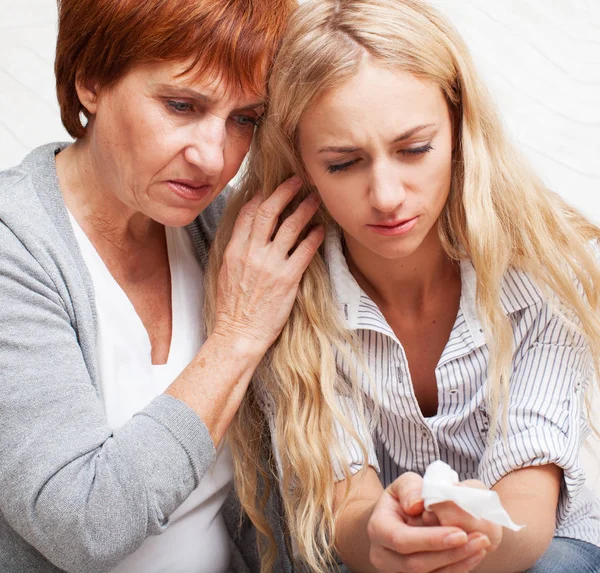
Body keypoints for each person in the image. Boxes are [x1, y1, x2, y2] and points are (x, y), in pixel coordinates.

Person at [206, 0, 600, 572]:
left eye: (414, 150)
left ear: (461, 130)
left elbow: (528, 513)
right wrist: (384, 537)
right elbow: (343, 509)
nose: (387, 195)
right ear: (300, 163)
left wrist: (464, 538)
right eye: (344, 163)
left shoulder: (544, 268)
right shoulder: (284, 290)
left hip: (540, 553)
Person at [0, 0, 326, 571]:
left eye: (244, 119)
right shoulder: (15, 243)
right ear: (90, 80)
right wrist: (237, 338)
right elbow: (83, 525)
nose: (212, 157)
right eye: (182, 105)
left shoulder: (226, 235)